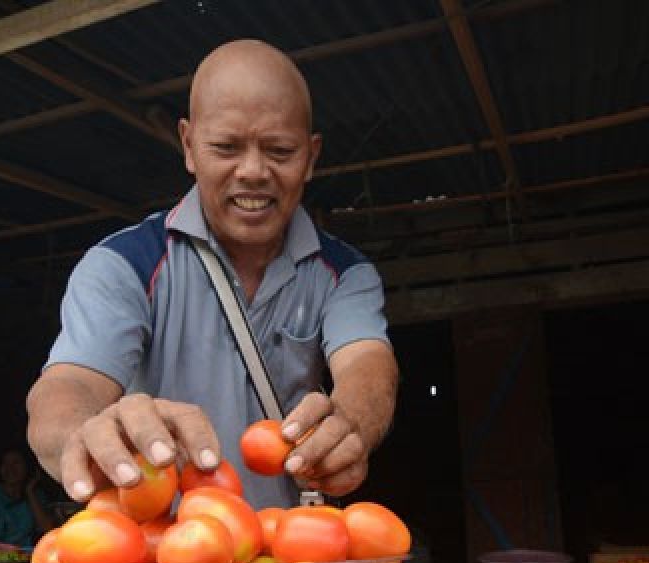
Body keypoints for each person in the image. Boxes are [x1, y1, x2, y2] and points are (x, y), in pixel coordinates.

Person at [26, 39, 398, 512]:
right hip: (163, 560)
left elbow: (368, 365)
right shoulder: (123, 265)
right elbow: (68, 387)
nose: (253, 172)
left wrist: (351, 426)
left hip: (285, 553)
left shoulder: (346, 273)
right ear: (188, 146)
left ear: (311, 156)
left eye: (280, 151)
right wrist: (84, 436)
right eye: (226, 147)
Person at [0, 448, 56, 547]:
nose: (10, 468)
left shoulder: (36, 495)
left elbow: (48, 530)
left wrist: (30, 492)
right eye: (5, 463)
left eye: (16, 463)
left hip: (25, 556)